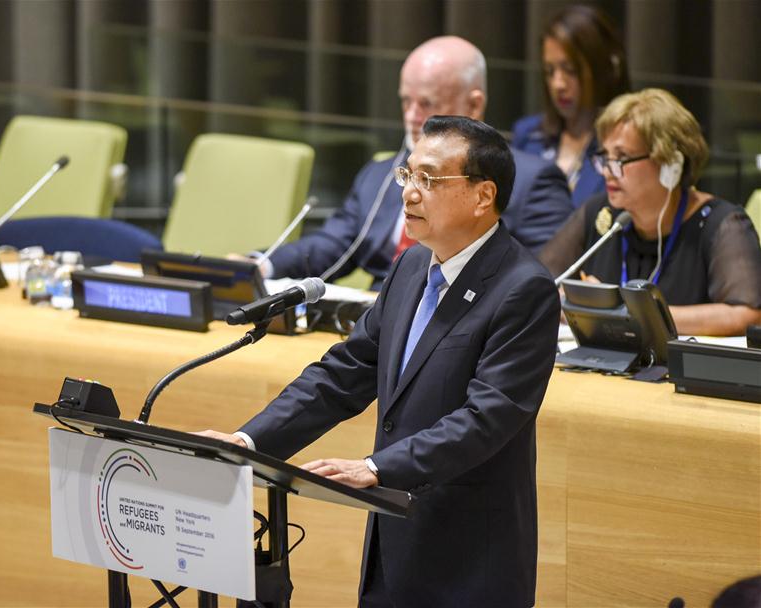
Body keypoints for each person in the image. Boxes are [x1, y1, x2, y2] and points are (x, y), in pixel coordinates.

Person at [199, 116, 560, 606]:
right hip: (392, 551)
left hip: (470, 559)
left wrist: (376, 467)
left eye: (429, 179)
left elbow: (487, 419)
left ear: (482, 196)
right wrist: (247, 442)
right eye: (407, 175)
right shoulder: (411, 267)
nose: (409, 192)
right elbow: (342, 376)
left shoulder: (524, 289)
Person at [252, 36, 572, 289]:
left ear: (474, 105)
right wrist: (260, 265)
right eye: (406, 100)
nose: (412, 115)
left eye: (427, 103)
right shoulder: (381, 175)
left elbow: (538, 282)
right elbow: (333, 244)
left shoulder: (534, 180)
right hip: (374, 317)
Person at [539, 88, 761, 336]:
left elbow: (747, 315)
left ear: (670, 165)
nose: (607, 171)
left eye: (621, 158)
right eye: (605, 157)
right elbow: (536, 284)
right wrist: (575, 303)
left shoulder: (722, 225)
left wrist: (630, 311)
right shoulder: (602, 214)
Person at [512, 5, 630, 207]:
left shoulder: (623, 145)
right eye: (550, 71)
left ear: (601, 69)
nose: (558, 84)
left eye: (570, 70)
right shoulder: (527, 134)